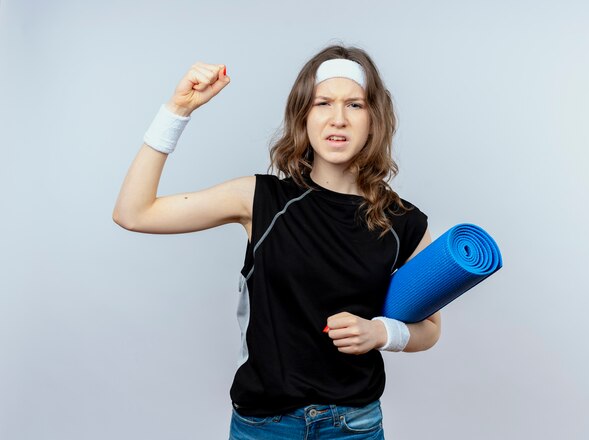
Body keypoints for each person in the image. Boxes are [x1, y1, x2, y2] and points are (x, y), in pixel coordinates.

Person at [113, 44, 441, 439]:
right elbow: (133, 213)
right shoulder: (260, 199)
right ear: (304, 115)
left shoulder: (403, 221)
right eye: (323, 103)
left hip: (354, 426)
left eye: (354, 105)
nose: (338, 119)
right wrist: (177, 110)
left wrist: (382, 333)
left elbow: (430, 328)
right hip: (265, 425)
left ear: (374, 119)